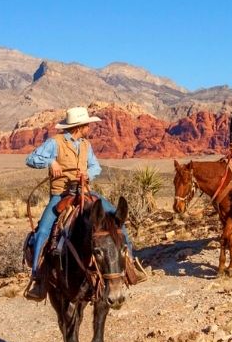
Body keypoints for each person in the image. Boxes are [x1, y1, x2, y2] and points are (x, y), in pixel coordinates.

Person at [25, 106, 144, 299]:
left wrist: (87, 173)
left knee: (116, 220)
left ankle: (130, 264)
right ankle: (38, 278)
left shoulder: (85, 145)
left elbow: (95, 166)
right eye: (87, 124)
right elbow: (31, 159)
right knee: (43, 231)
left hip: (85, 192)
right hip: (61, 195)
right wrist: (50, 162)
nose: (89, 126)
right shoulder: (55, 142)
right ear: (80, 126)